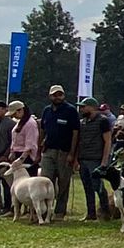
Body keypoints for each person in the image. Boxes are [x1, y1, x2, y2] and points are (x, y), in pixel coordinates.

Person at [38, 85, 81, 219]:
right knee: (45, 181)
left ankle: (59, 211)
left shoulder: (71, 111)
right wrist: (40, 144)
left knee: (63, 182)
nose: (57, 97)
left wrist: (72, 154)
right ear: (50, 96)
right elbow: (43, 129)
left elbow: (75, 133)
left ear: (63, 95)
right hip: (49, 150)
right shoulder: (46, 111)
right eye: (55, 95)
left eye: (60, 94)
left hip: (64, 151)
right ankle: (45, 211)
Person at [75, 97, 113, 221]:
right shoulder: (82, 122)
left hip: (96, 159)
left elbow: (107, 141)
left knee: (98, 186)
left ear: (92, 107)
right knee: (87, 187)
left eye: (83, 106)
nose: (81, 109)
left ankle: (105, 211)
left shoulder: (103, 121)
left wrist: (104, 161)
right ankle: (91, 213)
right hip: (83, 158)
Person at [5, 99, 39, 185]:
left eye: (14, 114)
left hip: (27, 157)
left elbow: (30, 144)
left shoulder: (30, 123)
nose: (14, 117)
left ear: (21, 110)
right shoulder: (20, 122)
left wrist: (21, 159)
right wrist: (12, 152)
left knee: (27, 183)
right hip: (18, 154)